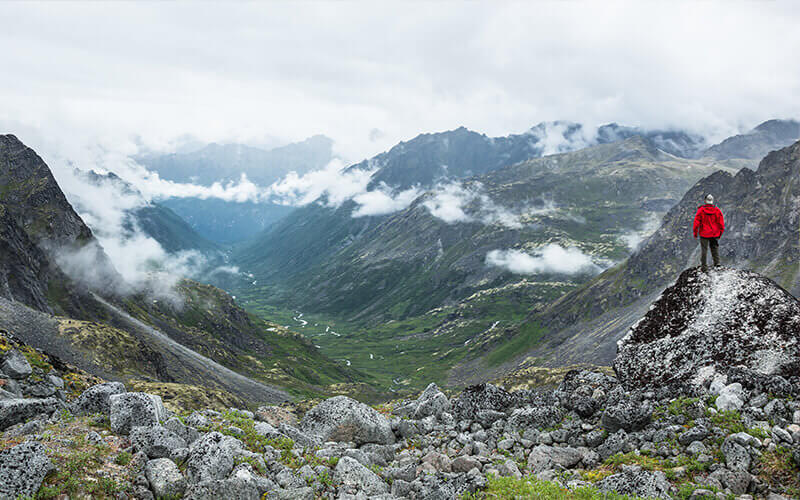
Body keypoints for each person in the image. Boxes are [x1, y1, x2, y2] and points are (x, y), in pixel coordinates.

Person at [693, 194, 725, 271]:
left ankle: (704, 266)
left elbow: (696, 222)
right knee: (714, 248)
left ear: (705, 201)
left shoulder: (701, 210)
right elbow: (721, 223)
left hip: (704, 233)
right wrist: (720, 233)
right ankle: (717, 263)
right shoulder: (717, 210)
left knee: (704, 249)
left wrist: (695, 232)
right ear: (712, 201)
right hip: (714, 233)